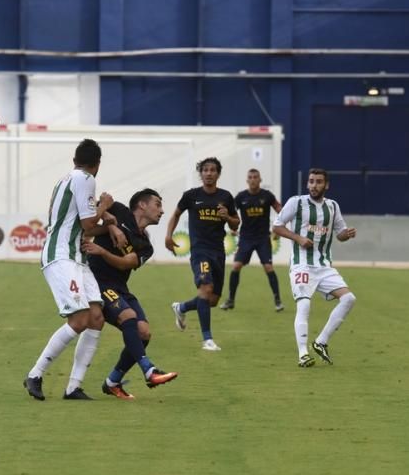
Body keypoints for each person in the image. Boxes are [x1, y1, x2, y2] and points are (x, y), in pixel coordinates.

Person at [23, 138, 116, 401]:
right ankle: (35, 374)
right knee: (79, 319)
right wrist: (105, 206)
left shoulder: (66, 179)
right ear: (96, 164)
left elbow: (83, 225)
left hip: (76, 256)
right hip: (61, 256)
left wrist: (109, 225)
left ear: (74, 159)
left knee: (96, 317)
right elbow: (88, 223)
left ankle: (73, 387)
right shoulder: (85, 178)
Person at [83, 189, 179, 400]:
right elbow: (101, 203)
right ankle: (149, 370)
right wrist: (110, 222)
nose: (162, 211)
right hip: (96, 282)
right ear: (142, 205)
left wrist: (103, 252)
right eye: (158, 204)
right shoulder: (120, 211)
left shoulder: (146, 246)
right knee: (128, 317)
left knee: (143, 332)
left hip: (119, 287)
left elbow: (127, 262)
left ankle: (112, 382)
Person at [272, 168, 357, 367]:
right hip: (301, 264)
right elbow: (276, 226)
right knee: (304, 304)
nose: (314, 185)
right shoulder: (297, 202)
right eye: (311, 181)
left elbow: (340, 234)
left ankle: (321, 341)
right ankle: (303, 353)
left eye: (319, 182)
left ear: (326, 185)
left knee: (349, 299)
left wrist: (347, 234)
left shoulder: (333, 206)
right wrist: (298, 238)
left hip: (324, 266)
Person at [165, 157, 239, 351]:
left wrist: (228, 217)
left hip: (218, 252)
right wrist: (168, 235)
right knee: (205, 289)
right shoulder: (191, 195)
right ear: (201, 173)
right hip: (199, 251)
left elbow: (236, 223)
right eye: (205, 170)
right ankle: (207, 340)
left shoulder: (226, 197)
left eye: (212, 170)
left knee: (212, 300)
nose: (208, 173)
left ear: (218, 174)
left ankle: (181, 308)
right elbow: (176, 214)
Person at [220, 168, 285, 312]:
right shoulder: (241, 197)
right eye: (250, 177)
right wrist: (232, 225)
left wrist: (279, 227)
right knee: (236, 266)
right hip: (246, 238)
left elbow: (281, 210)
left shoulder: (267, 196)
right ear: (247, 180)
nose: (253, 179)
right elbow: (231, 212)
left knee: (268, 267)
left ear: (260, 180)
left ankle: (278, 300)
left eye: (256, 177)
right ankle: (230, 300)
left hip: (263, 238)